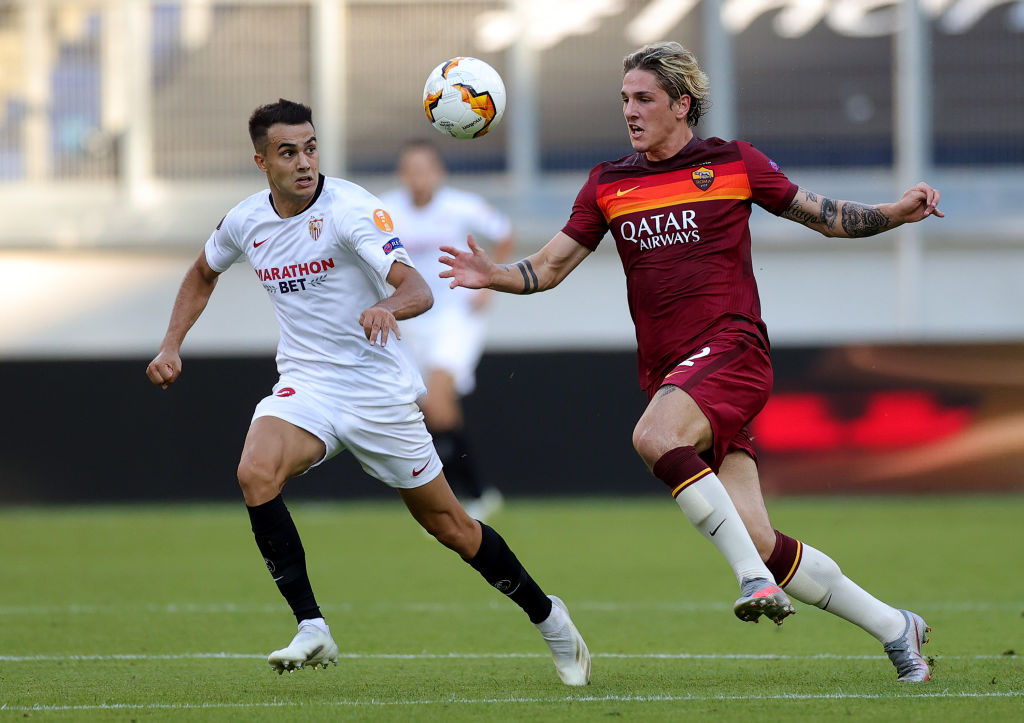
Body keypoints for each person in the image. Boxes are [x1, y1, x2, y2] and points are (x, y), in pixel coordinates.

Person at [440, 42, 942, 683]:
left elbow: (826, 217)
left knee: (654, 436)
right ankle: (896, 628)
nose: (630, 110)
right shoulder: (608, 182)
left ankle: (751, 581)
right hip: (673, 374)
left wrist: (897, 212)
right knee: (759, 534)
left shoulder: (733, 163)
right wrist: (493, 275)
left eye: (643, 98)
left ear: (682, 105)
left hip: (733, 351)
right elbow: (549, 267)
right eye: (624, 99)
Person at [145, 99, 590, 686]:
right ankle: (312, 627)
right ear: (261, 161)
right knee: (254, 472)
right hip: (307, 385)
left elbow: (418, 288)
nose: (304, 162)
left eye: (310, 148)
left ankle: (550, 618)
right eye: (287, 152)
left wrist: (385, 305)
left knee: (452, 528)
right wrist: (171, 344)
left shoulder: (352, 209)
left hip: (377, 393)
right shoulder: (245, 221)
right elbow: (203, 272)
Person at [380, 140, 513, 522]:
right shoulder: (385, 211)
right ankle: (475, 494)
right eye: (411, 170)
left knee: (437, 402)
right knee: (430, 412)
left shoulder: (460, 206)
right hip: (409, 323)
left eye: (426, 169)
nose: (419, 178)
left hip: (455, 318)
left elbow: (505, 233)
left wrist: (491, 282)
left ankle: (462, 499)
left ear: (439, 173)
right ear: (401, 175)